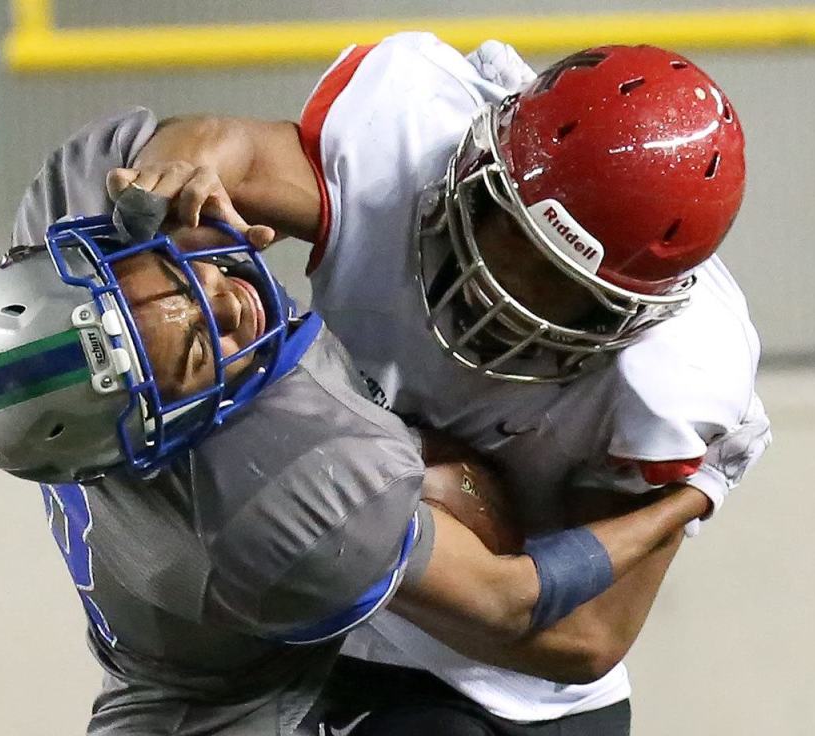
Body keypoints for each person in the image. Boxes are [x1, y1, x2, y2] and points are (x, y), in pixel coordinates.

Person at [0, 113, 715, 735]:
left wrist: (184, 162)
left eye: (171, 282)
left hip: (185, 632)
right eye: (192, 355)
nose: (227, 302)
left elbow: (206, 140)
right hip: (225, 711)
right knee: (453, 491)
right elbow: (517, 601)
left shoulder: (81, 199)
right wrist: (694, 494)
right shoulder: (283, 498)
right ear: (165, 424)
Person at [99, 34, 771, 734]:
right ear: (474, 166)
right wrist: (176, 168)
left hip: (483, 692)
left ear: (640, 309)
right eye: (508, 235)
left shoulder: (671, 377)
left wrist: (357, 543)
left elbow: (586, 639)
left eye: (564, 291)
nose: (506, 298)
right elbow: (220, 146)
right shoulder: (405, 149)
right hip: (294, 633)